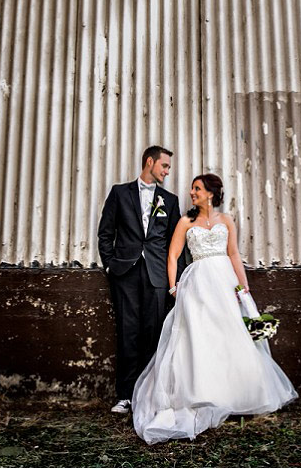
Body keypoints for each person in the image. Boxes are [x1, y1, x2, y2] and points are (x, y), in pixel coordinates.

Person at [131, 173, 297, 444]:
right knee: (198, 337)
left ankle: (236, 395)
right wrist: (173, 288)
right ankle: (200, 392)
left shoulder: (226, 221)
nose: (192, 192)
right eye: (192, 188)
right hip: (196, 284)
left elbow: (233, 254)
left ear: (210, 193)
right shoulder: (186, 221)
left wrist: (244, 289)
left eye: (197, 189)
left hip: (224, 281)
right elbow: (172, 256)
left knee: (229, 336)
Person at [97, 146, 183, 414]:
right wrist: (111, 266)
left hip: (157, 276)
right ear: (150, 162)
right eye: (165, 166)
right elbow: (105, 233)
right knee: (127, 333)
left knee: (154, 335)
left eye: (168, 168)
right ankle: (125, 396)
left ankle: (150, 397)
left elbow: (175, 246)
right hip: (125, 274)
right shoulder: (120, 193)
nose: (167, 172)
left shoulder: (170, 200)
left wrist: (175, 281)